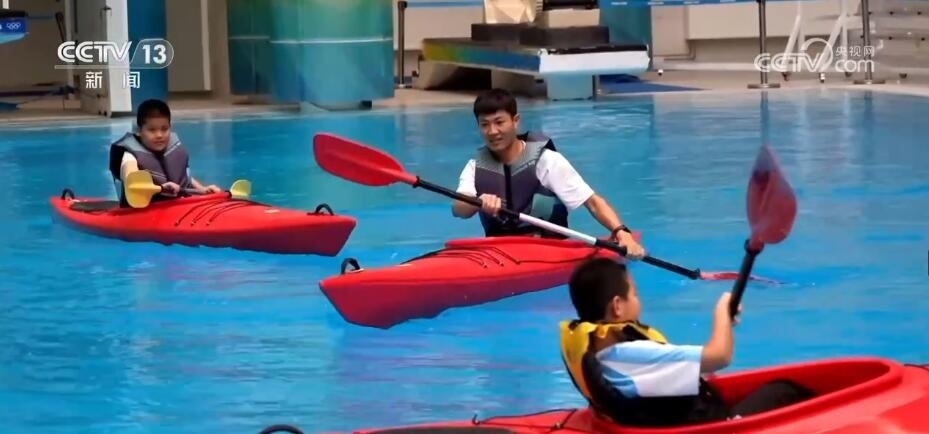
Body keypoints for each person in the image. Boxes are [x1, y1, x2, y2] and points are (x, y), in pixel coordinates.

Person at [559, 258, 815, 427]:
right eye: (634, 293)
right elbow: (720, 356)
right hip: (712, 426)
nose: (639, 299)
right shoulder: (626, 352)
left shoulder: (601, 349)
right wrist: (722, 313)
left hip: (660, 420)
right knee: (784, 391)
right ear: (617, 306)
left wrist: (726, 326)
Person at [452, 88, 645, 259]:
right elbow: (459, 210)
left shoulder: (547, 161)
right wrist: (477, 202)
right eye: (485, 124)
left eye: (499, 122)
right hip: (499, 252)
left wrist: (621, 232)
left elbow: (592, 202)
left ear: (515, 121)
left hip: (548, 248)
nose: (492, 131)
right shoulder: (475, 166)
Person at [108, 99, 221, 207]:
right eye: (152, 130)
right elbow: (131, 181)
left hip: (178, 206)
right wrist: (161, 188)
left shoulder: (172, 148)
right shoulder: (129, 157)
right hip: (144, 210)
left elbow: (185, 177)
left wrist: (203, 190)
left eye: (164, 129)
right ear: (139, 131)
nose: (159, 135)